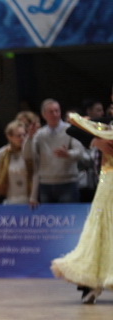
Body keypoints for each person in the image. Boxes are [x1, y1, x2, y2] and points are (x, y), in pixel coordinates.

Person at [51, 119, 113, 303]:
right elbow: (73, 128)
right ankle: (90, 285)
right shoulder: (107, 126)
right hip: (108, 185)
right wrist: (97, 142)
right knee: (98, 232)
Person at [24, 99, 87, 204]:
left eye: (57, 111)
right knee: (48, 214)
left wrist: (68, 154)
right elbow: (28, 156)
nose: (55, 114)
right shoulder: (39, 134)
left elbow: (80, 152)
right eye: (51, 112)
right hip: (45, 184)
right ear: (44, 115)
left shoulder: (70, 130)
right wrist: (30, 138)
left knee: (68, 213)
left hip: (68, 182)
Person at [0, 120, 37, 207]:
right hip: (10, 201)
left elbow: (36, 176)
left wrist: (33, 197)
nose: (22, 138)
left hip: (30, 202)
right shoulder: (2, 153)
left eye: (24, 135)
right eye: (19, 136)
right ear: (9, 137)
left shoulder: (30, 152)